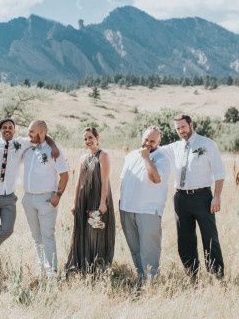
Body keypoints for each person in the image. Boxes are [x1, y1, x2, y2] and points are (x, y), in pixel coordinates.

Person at [0, 118, 59, 266]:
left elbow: (42, 136)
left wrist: (54, 146)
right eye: (4, 127)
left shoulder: (22, 143)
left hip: (9, 197)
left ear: (14, 130)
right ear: (0, 129)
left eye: (10, 127)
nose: (7, 129)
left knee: (7, 229)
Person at [161, 114, 225, 278]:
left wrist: (216, 197)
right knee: (185, 239)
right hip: (180, 198)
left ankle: (216, 275)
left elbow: (219, 173)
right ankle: (192, 275)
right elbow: (153, 148)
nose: (181, 131)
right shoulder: (174, 147)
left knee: (209, 237)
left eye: (183, 127)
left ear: (191, 125)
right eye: (177, 128)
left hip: (202, 197)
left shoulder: (207, 144)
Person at [119, 126, 170, 281]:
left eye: (152, 141)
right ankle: (141, 280)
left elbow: (156, 178)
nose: (148, 143)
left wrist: (147, 158)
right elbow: (123, 179)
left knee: (149, 250)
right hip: (127, 209)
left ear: (159, 141)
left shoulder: (162, 158)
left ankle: (152, 283)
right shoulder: (131, 156)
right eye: (146, 139)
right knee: (135, 249)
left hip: (148, 210)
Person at [21, 120, 69, 276]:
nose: (28, 134)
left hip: (46, 199)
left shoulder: (53, 151)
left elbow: (64, 175)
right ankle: (42, 268)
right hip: (28, 199)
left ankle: (52, 272)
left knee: (47, 235)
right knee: (36, 236)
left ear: (41, 133)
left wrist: (58, 196)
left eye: (31, 131)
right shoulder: (27, 148)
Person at [65, 127, 115, 274]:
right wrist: (75, 203)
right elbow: (79, 182)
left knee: (96, 230)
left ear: (97, 138)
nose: (88, 141)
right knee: (83, 231)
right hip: (84, 200)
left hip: (97, 200)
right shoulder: (83, 158)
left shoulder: (103, 156)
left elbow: (105, 180)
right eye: (85, 139)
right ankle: (83, 266)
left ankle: (98, 266)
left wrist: (102, 202)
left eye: (90, 137)